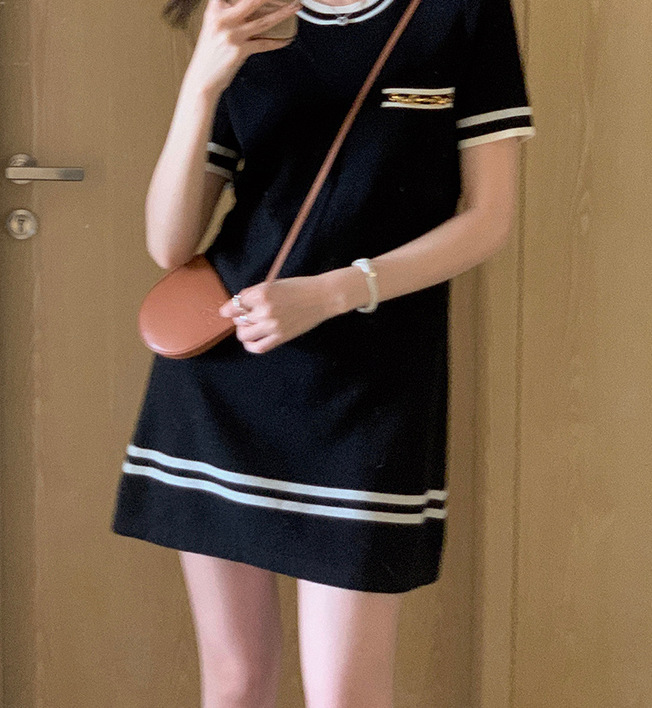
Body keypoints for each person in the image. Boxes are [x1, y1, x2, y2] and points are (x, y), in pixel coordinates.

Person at [111, 0, 536, 704]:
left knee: (345, 693)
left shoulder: (462, 13)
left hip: (369, 392)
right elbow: (170, 242)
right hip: (225, 379)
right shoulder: (245, 12)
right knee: (236, 682)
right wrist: (203, 82)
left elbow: (489, 218)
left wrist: (336, 292)